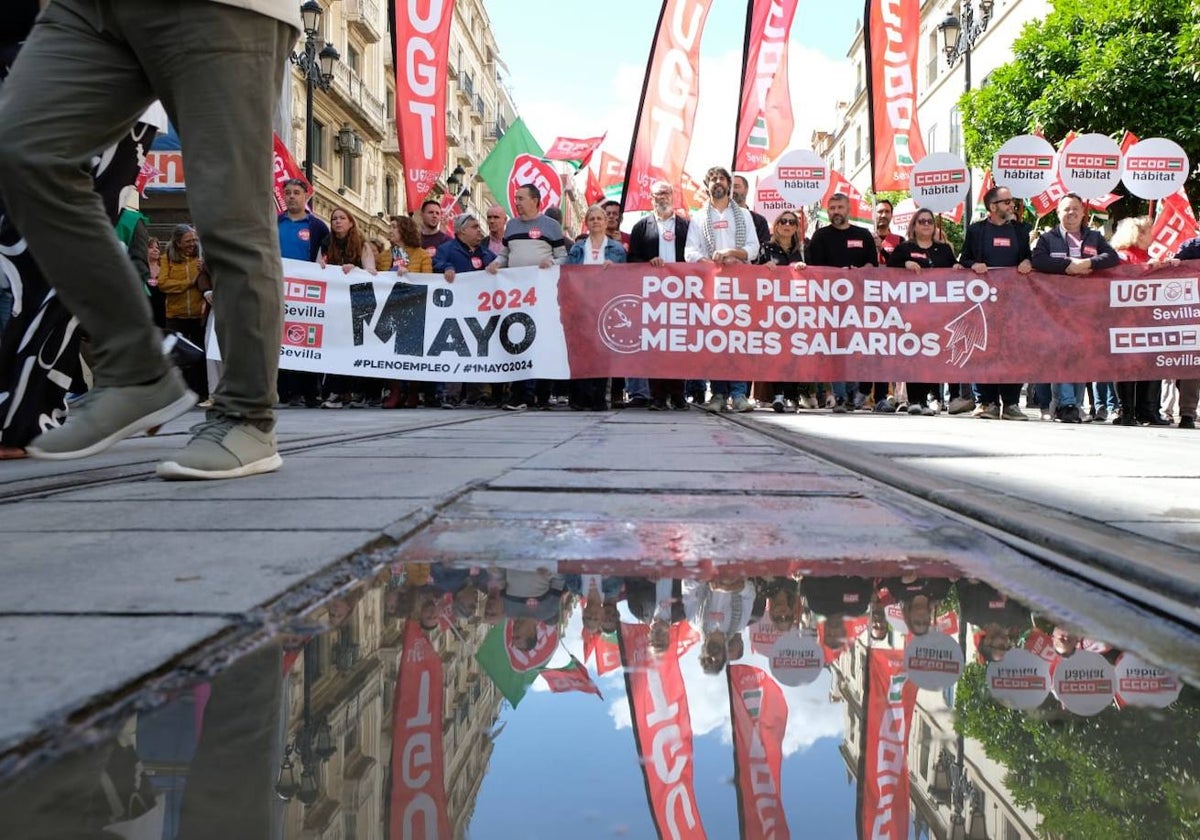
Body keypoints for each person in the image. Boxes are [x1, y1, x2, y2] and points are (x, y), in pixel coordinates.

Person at [0, 0, 299, 479]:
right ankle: (134, 367)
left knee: (229, 215)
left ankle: (246, 415)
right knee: (25, 153)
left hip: (224, 9)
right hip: (85, 9)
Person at [1031, 193, 1120, 423]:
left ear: (1082, 213)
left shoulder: (1094, 237)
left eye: (1075, 209)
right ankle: (1067, 403)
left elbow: (1112, 257)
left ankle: (1074, 404)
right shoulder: (1048, 239)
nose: (1070, 213)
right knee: (1062, 353)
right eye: (1066, 209)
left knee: (1079, 355)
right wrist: (1068, 267)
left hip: (1085, 309)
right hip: (1055, 308)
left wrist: (1088, 263)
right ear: (1058, 213)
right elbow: (1038, 261)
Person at [684, 166, 760, 412]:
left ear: (728, 184)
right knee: (716, 340)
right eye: (713, 178)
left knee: (737, 339)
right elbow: (690, 253)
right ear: (708, 186)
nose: (717, 182)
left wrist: (731, 253)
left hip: (739, 286)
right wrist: (712, 262)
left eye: (721, 178)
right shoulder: (698, 218)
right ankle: (717, 393)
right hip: (712, 287)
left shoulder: (744, 216)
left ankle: (738, 394)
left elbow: (753, 248)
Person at [958, 185, 1033, 421]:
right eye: (1007, 201)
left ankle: (1010, 404)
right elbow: (965, 258)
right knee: (983, 350)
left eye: (1011, 200)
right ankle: (986, 402)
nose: (1012, 205)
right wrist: (973, 264)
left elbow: (1028, 257)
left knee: (1013, 352)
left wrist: (1027, 262)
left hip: (1013, 304)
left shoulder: (1021, 230)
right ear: (993, 207)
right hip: (983, 303)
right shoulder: (976, 230)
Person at [492, 182, 568, 411]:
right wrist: (495, 264)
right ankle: (519, 395)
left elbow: (564, 257)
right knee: (517, 340)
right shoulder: (512, 226)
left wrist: (552, 262)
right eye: (515, 198)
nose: (516, 202)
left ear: (535, 200)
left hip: (543, 297)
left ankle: (542, 396)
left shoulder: (551, 226)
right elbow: (505, 254)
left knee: (542, 342)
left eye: (521, 198)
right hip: (516, 297)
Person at [807, 192, 880, 412]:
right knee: (835, 350)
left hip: (858, 303)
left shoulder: (863, 234)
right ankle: (838, 396)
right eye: (832, 208)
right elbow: (815, 269)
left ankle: (853, 393)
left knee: (856, 348)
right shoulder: (820, 236)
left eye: (840, 207)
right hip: (830, 302)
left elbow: (872, 266)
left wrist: (861, 272)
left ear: (848, 210)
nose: (836, 212)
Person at [628, 180, 691, 411]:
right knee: (655, 346)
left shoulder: (685, 226)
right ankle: (657, 396)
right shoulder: (641, 227)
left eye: (666, 193)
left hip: (680, 294)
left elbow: (693, 257)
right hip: (652, 297)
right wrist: (647, 263)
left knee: (678, 345)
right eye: (657, 194)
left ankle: (678, 395)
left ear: (673, 196)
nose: (662, 198)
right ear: (650, 198)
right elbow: (632, 259)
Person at [888, 207, 957, 415]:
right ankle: (914, 400)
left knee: (931, 354)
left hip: (937, 313)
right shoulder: (904, 248)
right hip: (910, 312)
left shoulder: (944, 250)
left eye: (929, 221)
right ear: (914, 226)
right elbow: (889, 268)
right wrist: (904, 263)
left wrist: (957, 268)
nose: (926, 224)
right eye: (921, 221)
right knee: (913, 352)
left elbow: (955, 269)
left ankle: (927, 399)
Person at [1110, 216, 1173, 426]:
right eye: (1147, 231)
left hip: (1150, 321)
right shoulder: (1121, 257)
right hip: (1126, 321)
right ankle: (1126, 411)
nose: (1152, 235)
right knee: (1127, 365)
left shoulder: (1150, 256)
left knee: (1151, 363)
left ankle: (1148, 410)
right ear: (1135, 234)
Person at [567, 204, 627, 411]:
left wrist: (615, 269)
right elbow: (568, 275)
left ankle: (599, 397)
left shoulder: (617, 249)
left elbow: (625, 279)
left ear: (605, 222)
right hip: (581, 305)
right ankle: (581, 397)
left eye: (599, 219)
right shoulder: (577, 248)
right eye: (592, 219)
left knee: (602, 352)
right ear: (586, 223)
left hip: (605, 305)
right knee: (581, 351)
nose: (596, 222)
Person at [317, 206, 375, 409]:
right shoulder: (326, 243)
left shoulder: (362, 245)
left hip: (357, 304)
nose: (337, 222)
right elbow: (318, 267)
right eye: (334, 219)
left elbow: (371, 272)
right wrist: (322, 268)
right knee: (335, 346)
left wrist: (356, 270)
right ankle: (336, 392)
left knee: (353, 347)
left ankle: (347, 391)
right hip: (335, 306)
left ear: (351, 222)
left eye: (342, 218)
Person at [755, 210, 807, 413]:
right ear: (776, 226)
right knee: (777, 352)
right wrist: (763, 267)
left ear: (796, 227)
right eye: (783, 221)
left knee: (795, 353)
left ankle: (792, 396)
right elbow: (752, 274)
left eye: (791, 222)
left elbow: (816, 275)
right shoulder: (766, 248)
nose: (787, 225)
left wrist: (805, 268)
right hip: (772, 310)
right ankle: (777, 395)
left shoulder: (802, 250)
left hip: (797, 309)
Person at [157, 224, 211, 403]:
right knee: (175, 358)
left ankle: (200, 393)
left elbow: (206, 280)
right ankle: (175, 395)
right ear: (178, 243)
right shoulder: (166, 259)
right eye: (188, 241)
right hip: (175, 316)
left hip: (197, 315)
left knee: (199, 357)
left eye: (194, 240)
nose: (192, 244)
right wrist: (189, 281)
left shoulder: (201, 258)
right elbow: (163, 284)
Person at [731, 174, 771, 247]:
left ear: (746, 190)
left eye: (736, 187)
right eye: (729, 187)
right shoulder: (719, 218)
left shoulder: (759, 221)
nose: (732, 190)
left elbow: (763, 248)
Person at [873, 198, 903, 264]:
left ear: (891, 215)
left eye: (887, 211)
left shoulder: (900, 240)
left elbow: (900, 264)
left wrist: (882, 249)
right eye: (880, 212)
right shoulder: (867, 238)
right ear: (873, 214)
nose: (884, 215)